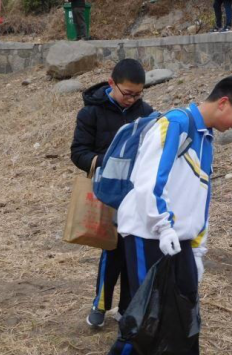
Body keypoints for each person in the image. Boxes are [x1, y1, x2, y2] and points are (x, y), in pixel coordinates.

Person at [96, 76, 232, 355]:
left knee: (187, 311)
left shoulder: (205, 138)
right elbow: (148, 182)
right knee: (148, 309)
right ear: (224, 102)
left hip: (179, 239)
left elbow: (201, 196)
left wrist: (197, 245)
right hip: (147, 233)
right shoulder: (175, 125)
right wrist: (164, 227)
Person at [71, 59, 154, 329]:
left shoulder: (146, 113)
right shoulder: (90, 113)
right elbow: (78, 153)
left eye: (138, 94)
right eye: (127, 93)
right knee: (111, 249)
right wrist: (109, 160)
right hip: (106, 194)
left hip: (136, 194)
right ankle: (101, 304)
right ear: (111, 84)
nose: (132, 100)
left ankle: (128, 307)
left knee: (134, 249)